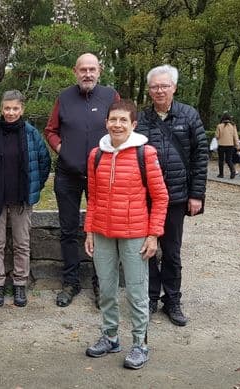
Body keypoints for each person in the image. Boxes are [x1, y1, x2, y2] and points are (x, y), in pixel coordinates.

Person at [83, 99, 169, 370]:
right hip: (103, 233)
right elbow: (93, 198)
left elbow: (161, 197)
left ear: (133, 124)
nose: (117, 125)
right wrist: (89, 231)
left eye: (123, 120)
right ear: (106, 122)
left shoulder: (146, 154)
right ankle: (110, 337)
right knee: (106, 290)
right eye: (113, 119)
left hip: (135, 234)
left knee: (136, 292)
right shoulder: (96, 155)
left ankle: (139, 344)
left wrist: (153, 234)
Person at [43, 53, 121, 308]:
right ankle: (71, 282)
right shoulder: (64, 97)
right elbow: (50, 130)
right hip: (68, 174)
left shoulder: (111, 96)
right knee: (68, 230)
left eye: (92, 69)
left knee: (101, 231)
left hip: (101, 175)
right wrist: (62, 149)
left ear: (99, 71)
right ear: (75, 72)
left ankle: (101, 283)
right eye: (83, 70)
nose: (87, 74)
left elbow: (121, 128)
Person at [135, 64, 208, 327]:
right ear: (149, 89)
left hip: (177, 196)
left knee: (172, 251)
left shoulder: (189, 115)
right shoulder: (141, 120)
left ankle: (173, 299)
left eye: (164, 86)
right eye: (154, 86)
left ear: (174, 87)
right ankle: (151, 296)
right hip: (146, 197)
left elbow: (201, 156)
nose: (159, 91)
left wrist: (196, 194)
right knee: (147, 251)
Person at [0, 90, 51, 307]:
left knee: (21, 243)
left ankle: (19, 284)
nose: (10, 112)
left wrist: (35, 186)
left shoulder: (31, 133)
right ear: (1, 109)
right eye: (7, 108)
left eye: (15, 108)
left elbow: (44, 161)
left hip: (21, 199)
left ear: (22, 109)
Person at [215, 113, 240, 179]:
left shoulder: (219, 126)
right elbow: (235, 137)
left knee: (221, 160)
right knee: (229, 160)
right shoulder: (233, 126)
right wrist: (237, 146)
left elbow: (217, 136)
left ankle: (221, 174)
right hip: (230, 145)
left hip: (221, 145)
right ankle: (232, 171)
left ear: (222, 118)